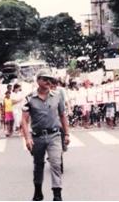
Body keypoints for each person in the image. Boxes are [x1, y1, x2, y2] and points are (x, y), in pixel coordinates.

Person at [21, 70, 69, 201]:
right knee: (38, 165)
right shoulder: (29, 98)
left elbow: (62, 115)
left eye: (50, 79)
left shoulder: (57, 96)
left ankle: (57, 194)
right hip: (37, 137)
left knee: (55, 163)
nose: (48, 82)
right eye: (45, 79)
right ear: (38, 81)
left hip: (54, 135)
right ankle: (38, 191)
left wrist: (67, 134)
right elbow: (24, 121)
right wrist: (28, 138)